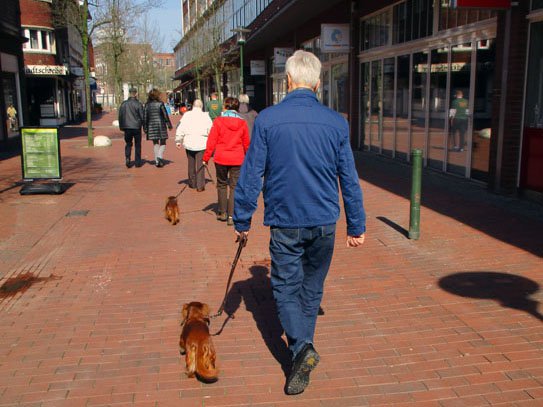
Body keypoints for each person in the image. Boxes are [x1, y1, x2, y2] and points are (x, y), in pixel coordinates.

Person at [233, 50, 366, 395]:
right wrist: (357, 224)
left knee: (285, 289)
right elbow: (348, 178)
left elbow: (252, 173)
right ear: (318, 83)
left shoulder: (268, 120)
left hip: (286, 220)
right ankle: (300, 353)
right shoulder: (336, 122)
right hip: (324, 221)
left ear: (287, 81)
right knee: (311, 290)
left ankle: (302, 349)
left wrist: (242, 216)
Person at [203, 97, 250, 226]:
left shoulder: (218, 121)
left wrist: (206, 157)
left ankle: (222, 212)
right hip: (237, 158)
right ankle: (231, 216)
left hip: (221, 157)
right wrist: (249, 157)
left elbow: (211, 141)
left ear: (226, 107)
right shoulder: (242, 123)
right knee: (234, 186)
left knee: (222, 184)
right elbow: (246, 143)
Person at [175, 99, 212, 192]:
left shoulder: (186, 115)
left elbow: (180, 128)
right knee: (201, 164)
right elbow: (211, 130)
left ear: (193, 106)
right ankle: (200, 185)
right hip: (202, 143)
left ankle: (192, 183)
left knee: (191, 163)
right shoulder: (206, 116)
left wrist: (178, 140)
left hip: (189, 143)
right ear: (201, 106)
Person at [144, 88, 173, 167]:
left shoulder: (147, 104)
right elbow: (165, 115)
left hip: (151, 126)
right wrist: (169, 125)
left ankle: (157, 161)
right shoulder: (160, 104)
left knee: (155, 143)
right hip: (161, 125)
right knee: (163, 142)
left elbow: (145, 117)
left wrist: (145, 128)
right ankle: (159, 156)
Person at [118, 88, 144, 168]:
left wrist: (121, 126)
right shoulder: (138, 104)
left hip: (127, 127)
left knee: (128, 144)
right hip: (136, 127)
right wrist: (143, 126)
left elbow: (120, 116)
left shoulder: (124, 104)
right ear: (136, 94)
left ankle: (128, 158)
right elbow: (142, 116)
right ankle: (137, 162)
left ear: (129, 93)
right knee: (138, 145)